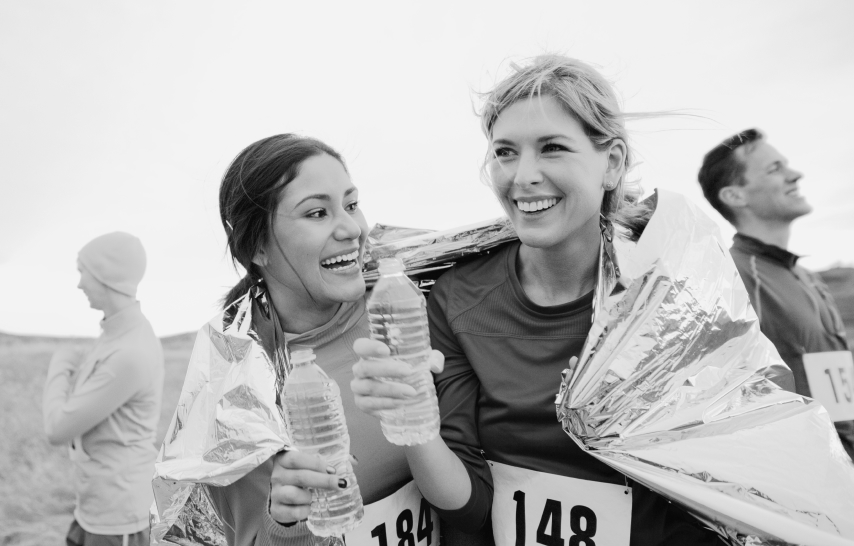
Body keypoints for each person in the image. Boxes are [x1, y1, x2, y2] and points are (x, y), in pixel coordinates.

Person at [352, 55, 722, 545]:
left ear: (611, 163)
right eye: (505, 152)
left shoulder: (670, 296)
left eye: (551, 148)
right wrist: (413, 417)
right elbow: (469, 506)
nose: (522, 175)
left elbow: (712, 489)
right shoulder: (457, 299)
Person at [205, 134, 441, 546]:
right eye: (317, 213)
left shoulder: (409, 305)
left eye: (351, 205)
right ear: (257, 246)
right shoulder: (237, 385)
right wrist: (288, 521)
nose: (352, 229)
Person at [697, 128, 854, 459]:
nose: (795, 175)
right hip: (809, 481)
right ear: (735, 196)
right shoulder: (728, 278)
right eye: (775, 169)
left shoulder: (806, 276)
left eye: (786, 165)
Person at [43, 231, 164, 546]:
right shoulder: (115, 333)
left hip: (117, 518)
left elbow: (57, 429)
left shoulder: (128, 352)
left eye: (83, 271)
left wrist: (59, 364)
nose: (79, 283)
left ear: (105, 276)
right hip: (93, 507)